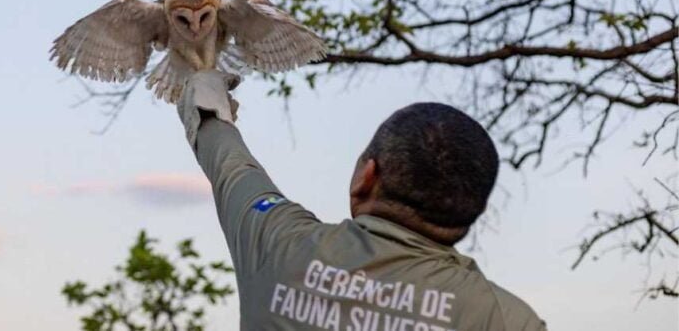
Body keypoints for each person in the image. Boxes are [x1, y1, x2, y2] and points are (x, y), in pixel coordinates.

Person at [176, 70, 547, 331]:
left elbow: (231, 166)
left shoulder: (277, 242)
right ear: (472, 212)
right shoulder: (506, 319)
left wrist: (205, 88)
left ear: (366, 177)